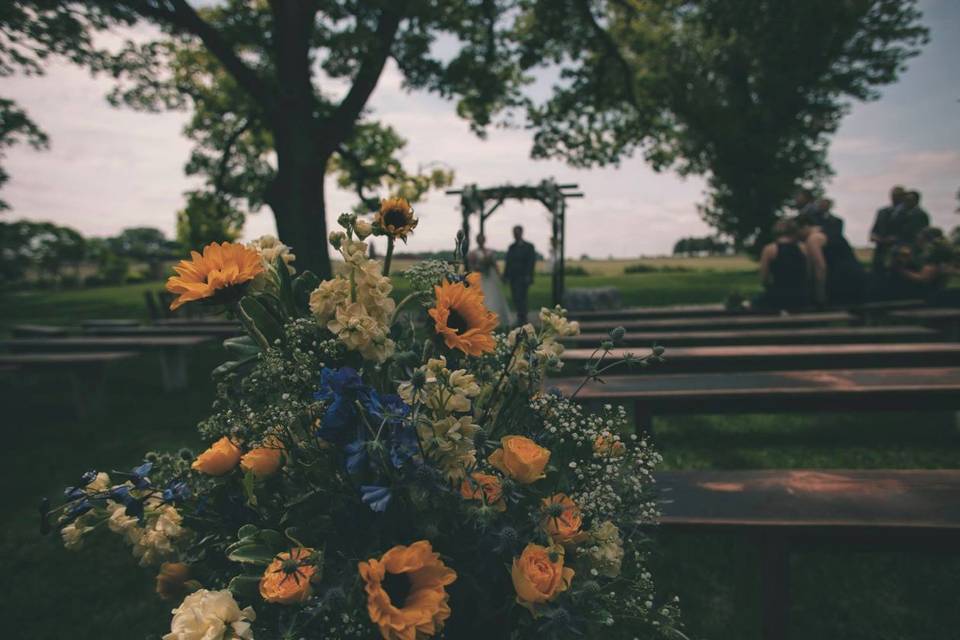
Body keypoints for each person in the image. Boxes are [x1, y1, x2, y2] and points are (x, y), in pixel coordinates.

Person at [796, 208, 865, 307]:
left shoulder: (813, 239)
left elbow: (820, 267)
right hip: (856, 274)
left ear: (804, 227)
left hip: (841, 279)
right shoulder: (829, 231)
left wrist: (819, 294)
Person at [752, 218, 810, 311]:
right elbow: (808, 273)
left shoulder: (769, 249)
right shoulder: (804, 248)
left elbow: (764, 278)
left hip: (777, 296)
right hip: (800, 296)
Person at [891, 227, 957, 303]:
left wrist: (901, 271)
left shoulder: (935, 254)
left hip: (926, 294)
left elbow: (924, 278)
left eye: (920, 238)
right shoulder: (927, 252)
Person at [466, 233, 511, 326]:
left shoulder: (490, 252)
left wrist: (500, 276)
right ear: (477, 240)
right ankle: (480, 320)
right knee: (480, 297)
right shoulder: (473, 253)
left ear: (484, 240)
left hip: (489, 278)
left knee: (493, 296)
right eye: (479, 239)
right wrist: (480, 266)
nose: (481, 241)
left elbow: (495, 266)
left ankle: (494, 319)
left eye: (482, 239)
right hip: (479, 278)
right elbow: (471, 267)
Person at [869, 185, 907, 277]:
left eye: (898, 195)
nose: (894, 197)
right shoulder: (882, 211)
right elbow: (875, 228)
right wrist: (874, 236)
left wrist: (896, 239)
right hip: (881, 249)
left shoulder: (908, 213)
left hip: (898, 250)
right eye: (893, 195)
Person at [503, 225, 536, 325]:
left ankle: (523, 317)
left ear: (521, 233)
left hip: (523, 277)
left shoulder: (529, 247)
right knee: (515, 297)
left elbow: (531, 262)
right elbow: (508, 262)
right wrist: (505, 275)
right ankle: (520, 315)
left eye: (517, 232)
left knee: (522, 296)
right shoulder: (511, 247)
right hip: (513, 277)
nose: (515, 234)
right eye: (514, 232)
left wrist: (529, 275)